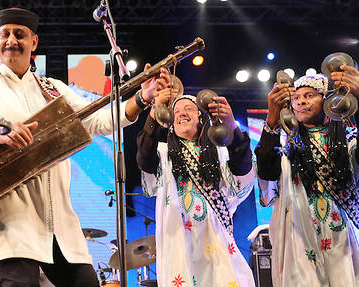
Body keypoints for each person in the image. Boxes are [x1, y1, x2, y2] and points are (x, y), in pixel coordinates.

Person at [0, 7, 167, 286]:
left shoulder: (52, 88)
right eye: (5, 34)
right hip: (12, 219)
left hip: (60, 223)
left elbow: (98, 120)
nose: (11, 40)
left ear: (34, 42)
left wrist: (142, 97)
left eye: (20, 34)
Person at [136, 88, 256, 286]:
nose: (181, 113)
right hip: (179, 241)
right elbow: (144, 158)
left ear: (201, 118)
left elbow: (242, 171)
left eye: (189, 109)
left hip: (217, 238)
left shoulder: (219, 153)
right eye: (176, 111)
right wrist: (155, 111)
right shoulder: (164, 155)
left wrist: (232, 126)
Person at [255, 71, 359, 287]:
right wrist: (272, 121)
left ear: (327, 100)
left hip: (340, 236)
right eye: (296, 97)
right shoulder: (286, 147)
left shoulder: (347, 138)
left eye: (310, 95)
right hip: (299, 236)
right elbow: (267, 173)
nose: (301, 101)